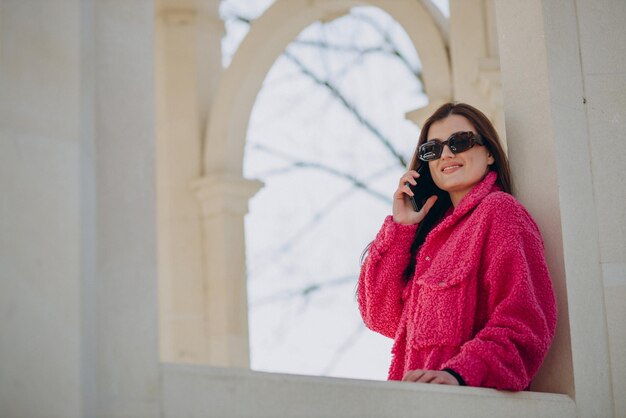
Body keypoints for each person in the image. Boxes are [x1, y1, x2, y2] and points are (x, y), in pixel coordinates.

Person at [357, 102, 556, 390]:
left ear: (489, 152)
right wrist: (401, 229)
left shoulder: (500, 212)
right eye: (432, 150)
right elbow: (380, 315)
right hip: (417, 404)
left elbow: (523, 320)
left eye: (460, 142)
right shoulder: (430, 243)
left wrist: (461, 374)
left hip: (469, 400)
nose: (447, 154)